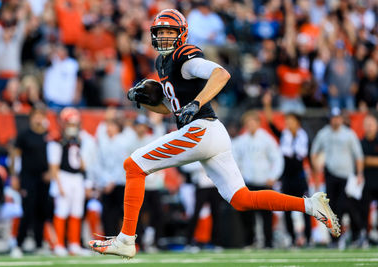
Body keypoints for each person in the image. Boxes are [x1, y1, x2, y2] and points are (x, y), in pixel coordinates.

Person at [89, 9, 340, 258]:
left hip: (202, 129)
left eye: (169, 31)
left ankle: (126, 239)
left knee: (133, 165)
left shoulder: (185, 57)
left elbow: (221, 74)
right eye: (160, 32)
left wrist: (196, 103)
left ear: (182, 34)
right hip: (209, 133)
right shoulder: (162, 63)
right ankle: (310, 205)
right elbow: (171, 107)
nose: (164, 36)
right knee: (242, 199)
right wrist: (144, 100)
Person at [263, 93, 311, 246]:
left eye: (291, 120)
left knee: (306, 208)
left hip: (299, 177)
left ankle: (308, 238)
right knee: (287, 208)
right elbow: (271, 124)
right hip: (287, 178)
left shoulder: (303, 136)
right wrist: (267, 105)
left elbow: (301, 157)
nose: (288, 123)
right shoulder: (284, 135)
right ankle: (291, 237)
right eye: (287, 120)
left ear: (297, 122)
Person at [311, 107, 364, 247]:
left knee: (347, 206)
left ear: (341, 118)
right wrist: (317, 169)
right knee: (332, 208)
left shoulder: (349, 134)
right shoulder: (324, 134)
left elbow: (358, 156)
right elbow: (314, 153)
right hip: (331, 174)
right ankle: (335, 239)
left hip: (347, 176)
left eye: (337, 117)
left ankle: (356, 234)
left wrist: (359, 174)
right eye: (333, 118)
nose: (335, 120)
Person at [232, 111, 284, 248]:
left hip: (264, 182)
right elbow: (234, 159)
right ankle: (250, 241)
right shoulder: (241, 141)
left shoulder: (267, 139)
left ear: (258, 123)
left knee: (266, 215)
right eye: (247, 123)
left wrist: (273, 176)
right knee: (247, 215)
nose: (250, 125)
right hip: (248, 183)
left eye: (252, 122)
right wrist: (239, 177)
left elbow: (277, 158)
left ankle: (268, 242)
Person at [10, 103, 50, 258]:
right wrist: (14, 176)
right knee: (27, 211)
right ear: (31, 117)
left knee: (41, 211)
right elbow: (15, 156)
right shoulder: (24, 135)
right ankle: (18, 244)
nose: (39, 118)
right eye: (36, 115)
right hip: (28, 177)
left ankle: (39, 244)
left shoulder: (47, 135)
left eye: (41, 115)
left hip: (43, 178)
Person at [47, 107, 88, 256]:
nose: (73, 127)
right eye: (70, 124)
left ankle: (74, 244)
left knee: (77, 211)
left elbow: (82, 164)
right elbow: (54, 166)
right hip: (63, 176)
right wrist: (58, 184)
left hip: (77, 178)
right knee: (62, 210)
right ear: (63, 124)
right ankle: (58, 244)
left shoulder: (78, 140)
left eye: (75, 124)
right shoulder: (56, 140)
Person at [359, 114, 378, 247]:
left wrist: (367, 161)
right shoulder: (361, 143)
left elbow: (364, 160)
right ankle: (364, 236)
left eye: (371, 124)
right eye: (367, 125)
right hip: (366, 183)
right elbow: (359, 160)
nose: (369, 127)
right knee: (364, 211)